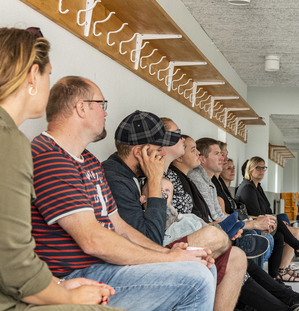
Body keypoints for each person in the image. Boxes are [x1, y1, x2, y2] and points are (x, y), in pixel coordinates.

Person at [30, 76, 216, 311]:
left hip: (103, 266)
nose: (105, 113)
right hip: (77, 274)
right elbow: (92, 240)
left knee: (203, 266)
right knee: (196, 280)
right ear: (81, 108)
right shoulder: (50, 157)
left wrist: (165, 251)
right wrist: (166, 258)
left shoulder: (89, 161)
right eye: (101, 104)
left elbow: (118, 225)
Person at [0, 27, 121, 311]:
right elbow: (10, 258)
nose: (48, 83)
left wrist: (58, 284)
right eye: (47, 74)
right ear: (32, 75)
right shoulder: (8, 140)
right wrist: (66, 295)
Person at [102, 110, 247, 311]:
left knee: (236, 258)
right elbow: (149, 239)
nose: (163, 153)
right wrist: (154, 181)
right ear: (139, 153)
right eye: (159, 149)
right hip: (136, 259)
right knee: (213, 239)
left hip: (159, 243)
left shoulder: (137, 171)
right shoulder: (116, 179)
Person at [172, 137, 299, 311]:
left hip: (210, 233)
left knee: (248, 254)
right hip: (197, 240)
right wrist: (247, 224)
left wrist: (236, 224)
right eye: (218, 154)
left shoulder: (198, 179)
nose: (224, 159)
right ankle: (291, 297)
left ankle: (293, 298)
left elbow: (209, 217)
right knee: (243, 254)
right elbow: (196, 221)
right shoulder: (187, 178)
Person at [236, 156, 299, 281]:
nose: (261, 171)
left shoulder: (256, 187)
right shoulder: (247, 188)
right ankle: (298, 249)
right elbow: (257, 214)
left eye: (263, 168)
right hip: (254, 224)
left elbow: (268, 210)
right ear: (250, 170)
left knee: (281, 233)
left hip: (263, 222)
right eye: (258, 168)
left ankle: (275, 277)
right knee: (293, 231)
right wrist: (274, 221)